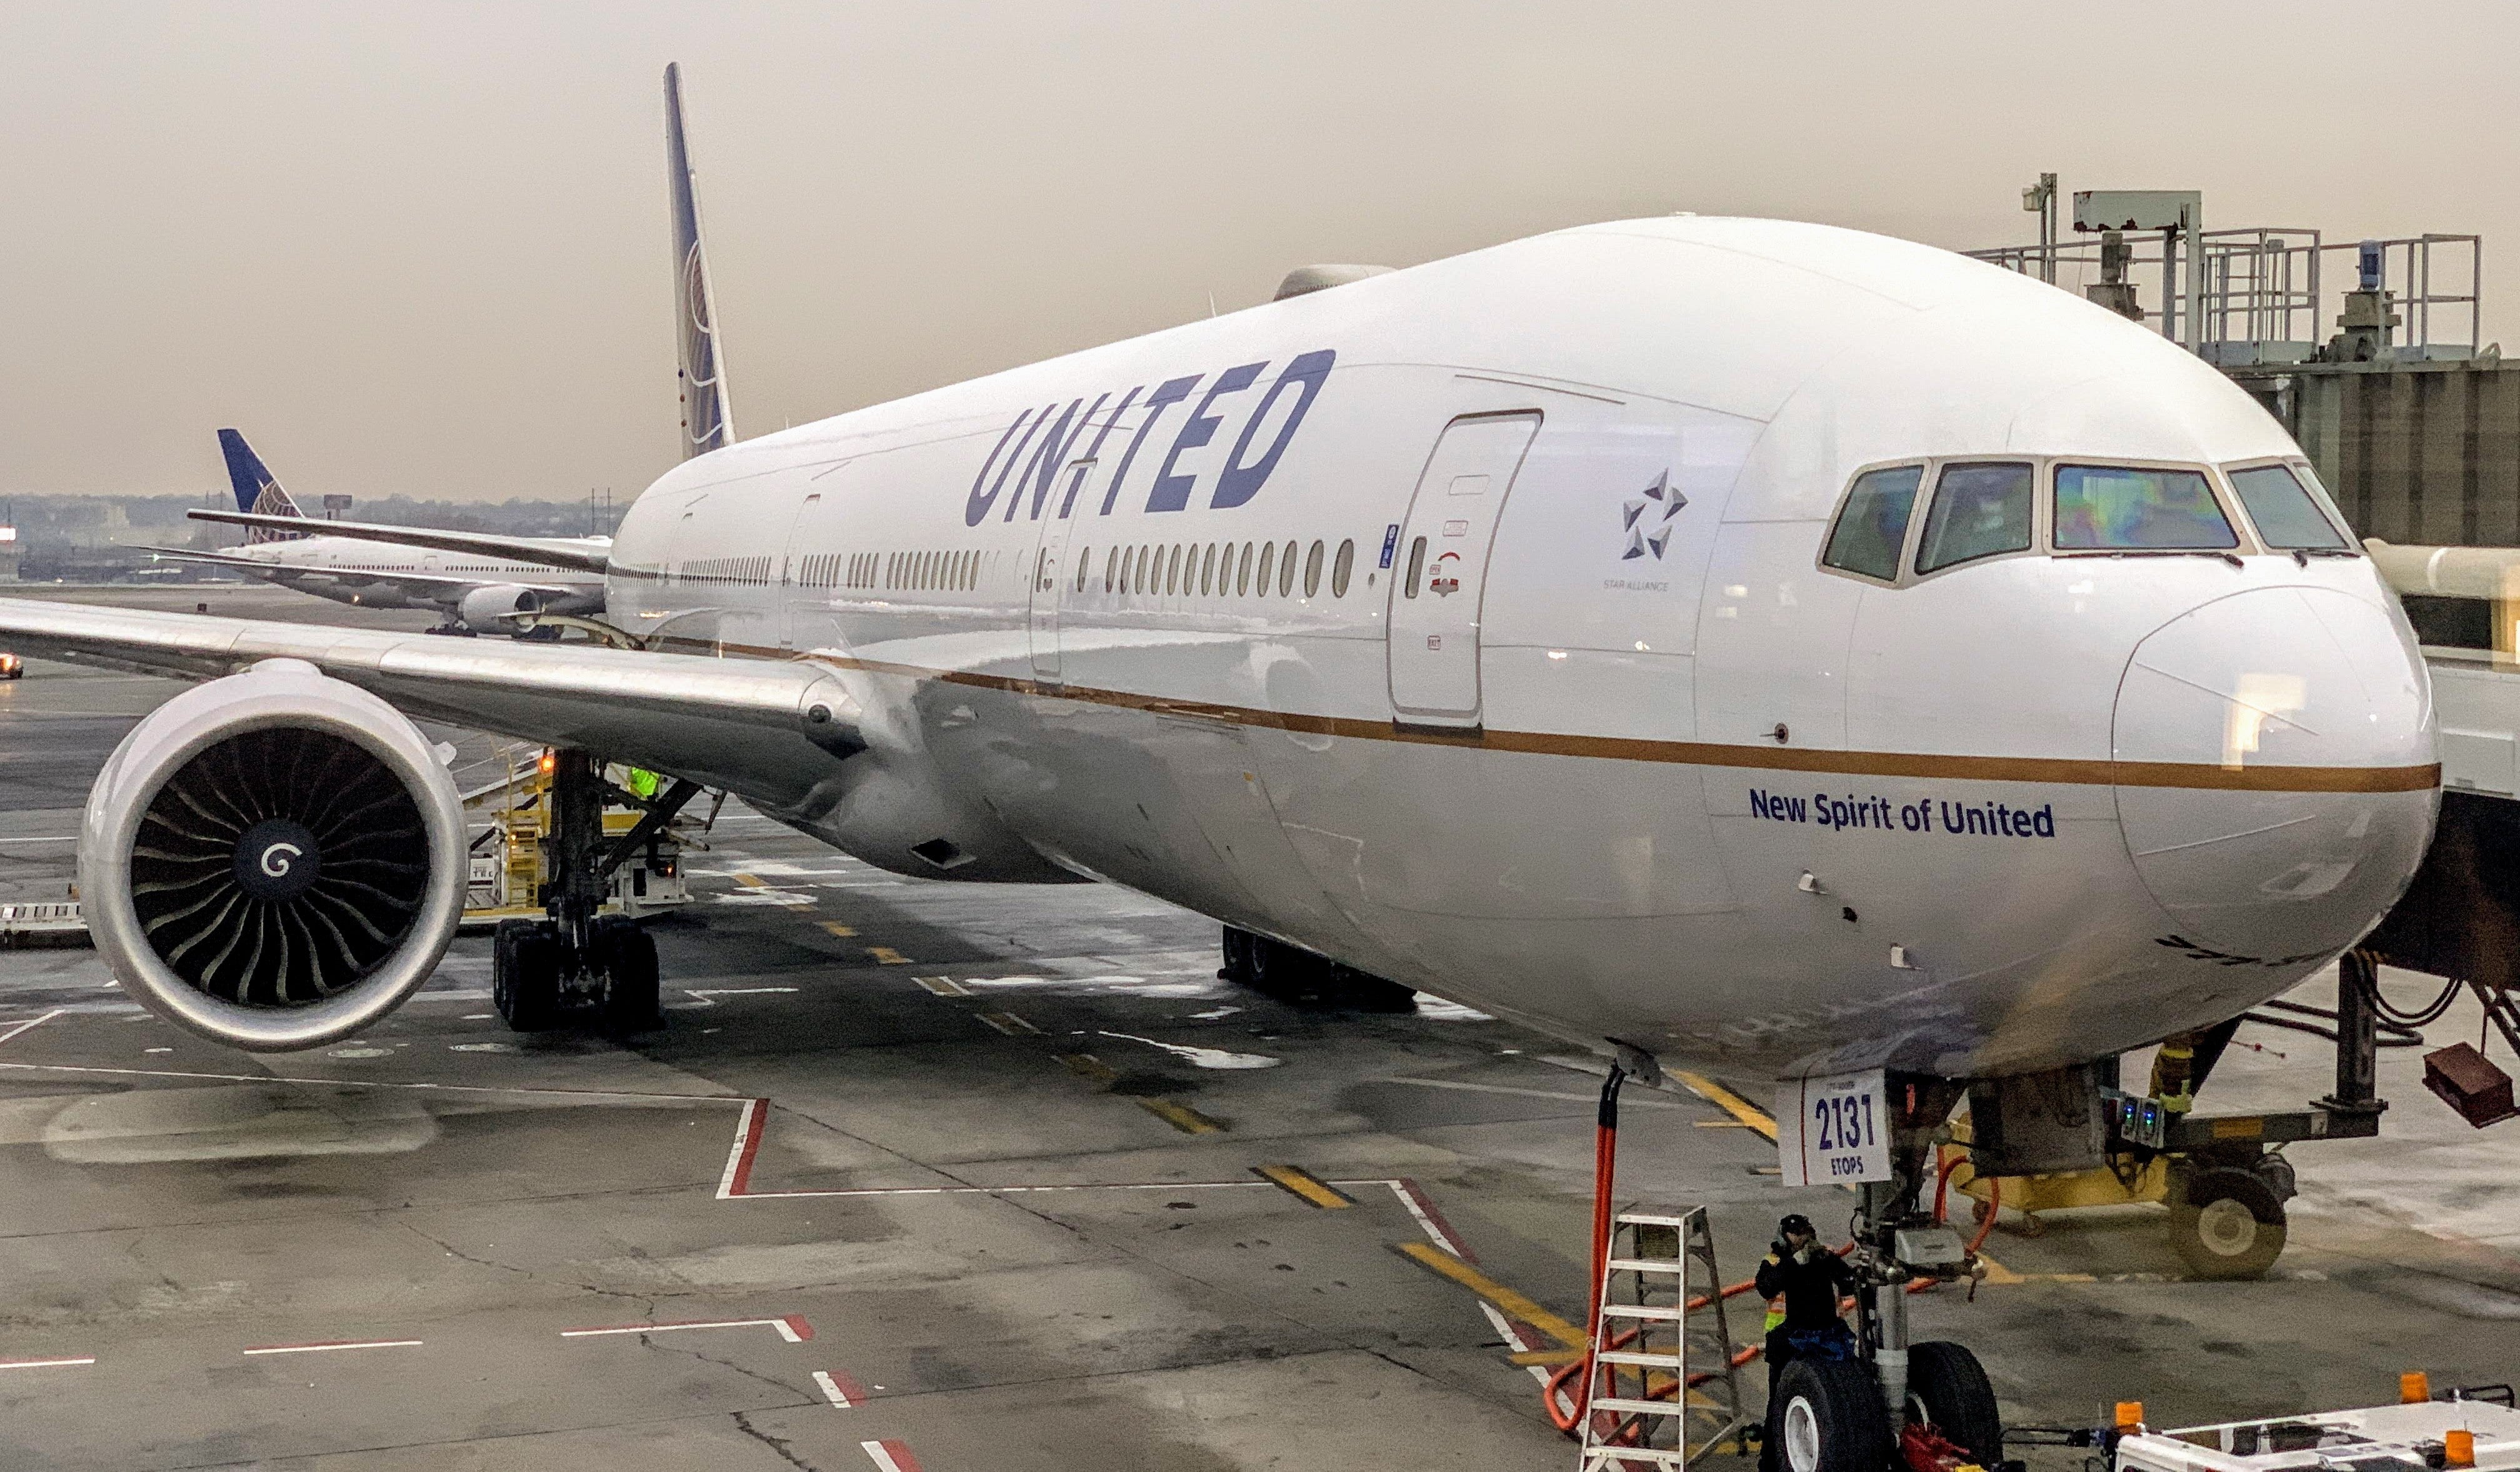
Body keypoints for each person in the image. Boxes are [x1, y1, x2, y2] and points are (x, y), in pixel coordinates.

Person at [1755, 1213, 1860, 1471]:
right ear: (1785, 1236)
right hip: (1786, 1342)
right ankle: (1771, 1464)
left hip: (1822, 1338)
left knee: (1828, 1398)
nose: (1802, 1238)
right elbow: (1766, 1287)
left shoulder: (1821, 1257)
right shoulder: (1775, 1261)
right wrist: (1792, 1263)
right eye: (1796, 1234)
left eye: (1805, 1233)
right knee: (1779, 1405)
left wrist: (1834, 1262)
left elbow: (1848, 1284)